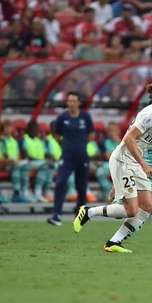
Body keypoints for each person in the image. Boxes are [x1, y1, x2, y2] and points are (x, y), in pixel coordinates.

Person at [73, 77, 152, 253]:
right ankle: (88, 212)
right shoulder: (150, 114)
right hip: (123, 160)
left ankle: (113, 242)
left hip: (134, 163)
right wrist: (144, 164)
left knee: (148, 206)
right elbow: (128, 139)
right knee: (131, 211)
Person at [104, 122, 152, 252]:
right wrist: (116, 182)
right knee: (123, 212)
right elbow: (129, 151)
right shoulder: (143, 128)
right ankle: (90, 212)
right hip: (140, 174)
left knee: (148, 209)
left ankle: (114, 241)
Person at [49, 92, 95, 226]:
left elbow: (91, 135)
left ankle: (79, 215)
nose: (71, 104)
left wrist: (80, 145)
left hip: (82, 157)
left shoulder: (85, 116)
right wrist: (66, 145)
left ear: (79, 102)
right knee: (60, 182)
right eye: (69, 101)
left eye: (74, 101)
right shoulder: (62, 117)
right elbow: (56, 134)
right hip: (67, 157)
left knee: (81, 187)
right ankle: (56, 214)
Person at [19, 120, 53, 203]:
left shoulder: (40, 141)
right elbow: (24, 153)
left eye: (37, 129)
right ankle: (26, 192)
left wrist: (50, 157)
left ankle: (43, 192)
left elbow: (45, 153)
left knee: (50, 166)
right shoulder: (24, 140)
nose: (36, 131)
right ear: (29, 130)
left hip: (40, 163)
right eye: (34, 129)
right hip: (28, 162)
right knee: (44, 165)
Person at [95, 121, 121, 201]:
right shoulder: (103, 142)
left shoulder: (124, 141)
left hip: (122, 165)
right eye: (110, 130)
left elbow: (128, 154)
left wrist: (118, 141)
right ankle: (109, 193)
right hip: (108, 164)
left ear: (118, 131)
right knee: (100, 172)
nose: (111, 132)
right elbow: (108, 157)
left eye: (114, 130)